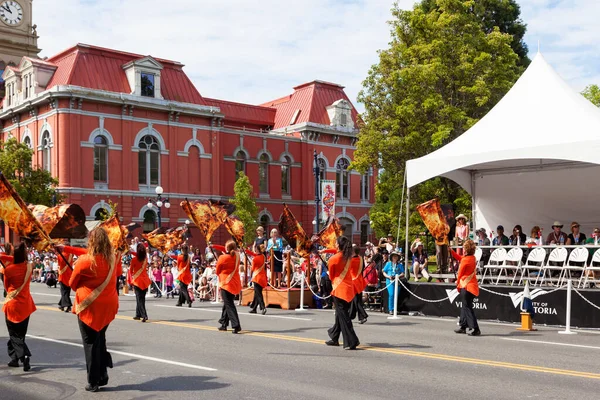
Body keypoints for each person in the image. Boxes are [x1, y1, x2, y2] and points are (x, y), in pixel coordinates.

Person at [69, 228, 119, 392]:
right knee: (100, 339)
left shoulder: (84, 261)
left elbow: (72, 283)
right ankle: (103, 374)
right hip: (108, 306)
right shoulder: (113, 259)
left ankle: (93, 381)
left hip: (90, 307)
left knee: (90, 343)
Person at [2, 242, 35, 371]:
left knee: (13, 334)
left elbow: (6, 287)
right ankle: (14, 359)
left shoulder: (8, 270)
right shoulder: (29, 267)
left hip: (13, 304)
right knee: (20, 334)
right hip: (25, 304)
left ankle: (24, 356)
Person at [325, 236, 360, 350]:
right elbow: (337, 251)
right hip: (348, 289)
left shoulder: (333, 259)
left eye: (336, 243)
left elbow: (331, 276)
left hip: (339, 289)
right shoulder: (347, 256)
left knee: (343, 316)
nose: (334, 245)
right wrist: (322, 251)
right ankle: (335, 337)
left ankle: (352, 340)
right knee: (340, 314)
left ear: (339, 245)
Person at [454, 240, 481, 336]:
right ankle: (463, 326)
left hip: (466, 286)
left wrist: (457, 286)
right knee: (465, 306)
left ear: (466, 249)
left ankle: (475, 328)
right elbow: (460, 258)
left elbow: (459, 275)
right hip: (472, 286)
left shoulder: (465, 260)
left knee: (467, 307)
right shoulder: (472, 258)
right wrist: (452, 252)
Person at [216, 240, 242, 333]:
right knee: (227, 303)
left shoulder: (222, 257)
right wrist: (214, 246)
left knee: (229, 304)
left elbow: (217, 271)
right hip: (234, 282)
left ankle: (236, 325)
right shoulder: (237, 255)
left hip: (226, 283)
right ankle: (224, 323)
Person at [130, 244, 151, 322]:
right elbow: (140, 255)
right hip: (145, 280)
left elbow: (131, 270)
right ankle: (138, 315)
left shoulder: (134, 260)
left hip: (137, 281)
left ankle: (144, 315)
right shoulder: (145, 258)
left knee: (139, 299)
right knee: (142, 298)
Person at [349, 245, 368, 324]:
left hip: (353, 281)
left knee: (356, 300)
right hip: (360, 281)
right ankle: (351, 316)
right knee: (356, 299)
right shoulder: (360, 258)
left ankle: (363, 315)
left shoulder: (351, 261)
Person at [249, 243, 268, 315]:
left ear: (257, 250)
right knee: (256, 293)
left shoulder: (255, 259)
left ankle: (263, 307)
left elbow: (253, 269)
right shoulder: (263, 256)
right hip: (262, 276)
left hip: (257, 277)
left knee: (259, 294)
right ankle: (254, 308)